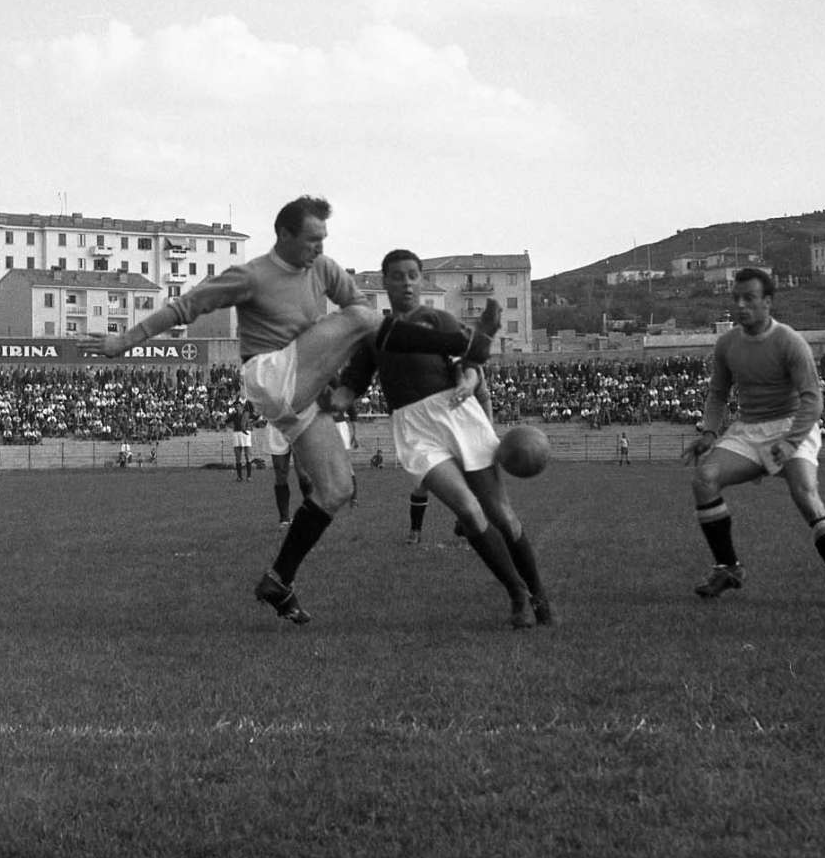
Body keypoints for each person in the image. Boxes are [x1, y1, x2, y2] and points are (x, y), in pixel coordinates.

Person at [95, 195, 498, 625]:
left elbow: (369, 323)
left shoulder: (323, 268)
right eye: (311, 239)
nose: (319, 248)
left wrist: (346, 376)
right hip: (269, 374)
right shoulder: (251, 276)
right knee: (363, 318)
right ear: (283, 234)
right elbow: (183, 308)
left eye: (323, 238)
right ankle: (466, 341)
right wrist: (124, 341)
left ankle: (279, 580)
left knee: (336, 489)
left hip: (300, 390)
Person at [335, 249, 551, 627]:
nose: (406, 283)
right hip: (415, 429)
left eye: (413, 275)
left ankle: (539, 595)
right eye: (398, 276)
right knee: (467, 509)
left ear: (421, 280)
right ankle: (518, 595)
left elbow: (469, 362)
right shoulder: (375, 334)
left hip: (457, 413)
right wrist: (328, 400)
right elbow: (353, 383)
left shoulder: (438, 319)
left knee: (501, 514)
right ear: (384, 282)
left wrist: (468, 379)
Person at [686, 268, 825, 607]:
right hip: (750, 429)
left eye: (749, 298)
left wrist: (791, 442)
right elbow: (718, 392)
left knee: (805, 494)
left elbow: (812, 399)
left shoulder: (789, 341)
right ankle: (728, 568)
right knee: (704, 478)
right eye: (736, 298)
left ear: (767, 302)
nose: (741, 305)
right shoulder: (727, 344)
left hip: (791, 425)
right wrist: (709, 431)